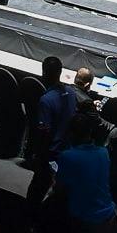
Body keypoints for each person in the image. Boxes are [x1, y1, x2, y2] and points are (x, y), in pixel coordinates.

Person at [50, 110, 117, 233]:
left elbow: (59, 190)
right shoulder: (103, 152)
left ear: (70, 134)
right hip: (110, 216)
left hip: (86, 222)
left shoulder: (67, 157)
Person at [27, 56, 82, 204]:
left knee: (35, 193)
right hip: (68, 151)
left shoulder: (46, 100)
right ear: (60, 72)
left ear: (44, 73)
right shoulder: (71, 93)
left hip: (51, 155)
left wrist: (38, 155)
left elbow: (43, 132)